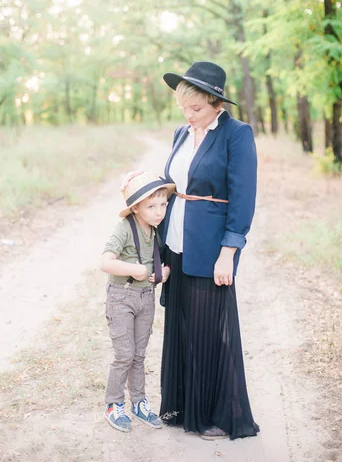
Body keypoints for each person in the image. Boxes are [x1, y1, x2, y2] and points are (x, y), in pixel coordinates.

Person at [123, 61, 259, 441]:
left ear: (217, 103)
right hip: (175, 243)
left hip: (211, 247)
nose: (189, 115)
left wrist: (228, 253)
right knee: (181, 326)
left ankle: (216, 413)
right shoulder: (181, 134)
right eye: (184, 108)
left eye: (196, 108)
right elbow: (172, 185)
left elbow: (243, 200)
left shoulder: (237, 135)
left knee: (210, 330)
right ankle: (184, 405)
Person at [100, 171, 175, 433]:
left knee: (139, 355)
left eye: (163, 204)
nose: (159, 212)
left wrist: (162, 273)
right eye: (151, 206)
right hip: (122, 298)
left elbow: (159, 264)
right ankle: (113, 404)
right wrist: (133, 269)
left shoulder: (155, 229)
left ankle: (139, 402)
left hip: (146, 298)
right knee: (124, 354)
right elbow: (105, 262)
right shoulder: (124, 228)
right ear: (135, 207)